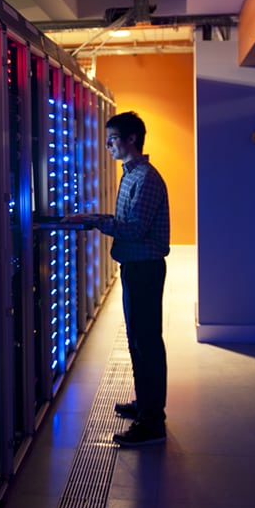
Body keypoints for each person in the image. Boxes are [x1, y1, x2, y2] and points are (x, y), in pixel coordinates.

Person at [64, 111, 170, 446]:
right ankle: (146, 404)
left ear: (131, 140)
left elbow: (135, 229)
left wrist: (93, 220)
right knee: (138, 341)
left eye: (112, 139)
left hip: (145, 270)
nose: (107, 145)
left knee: (147, 342)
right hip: (134, 268)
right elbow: (128, 221)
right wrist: (92, 218)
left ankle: (153, 422)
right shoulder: (130, 175)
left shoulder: (146, 179)